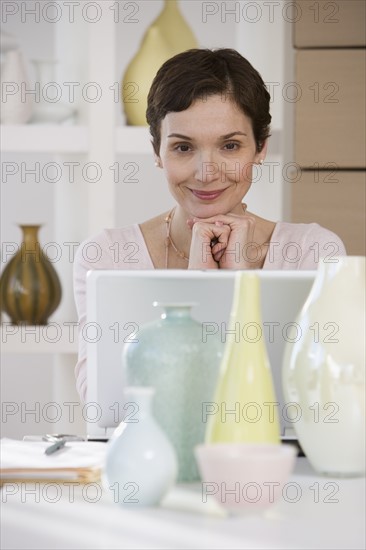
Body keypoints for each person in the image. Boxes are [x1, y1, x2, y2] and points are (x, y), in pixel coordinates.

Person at [73, 48, 346, 401]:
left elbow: (321, 397)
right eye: (183, 148)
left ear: (260, 148)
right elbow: (102, 402)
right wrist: (196, 286)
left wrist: (241, 284)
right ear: (157, 151)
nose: (206, 172)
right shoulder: (106, 256)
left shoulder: (314, 253)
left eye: (230, 146)